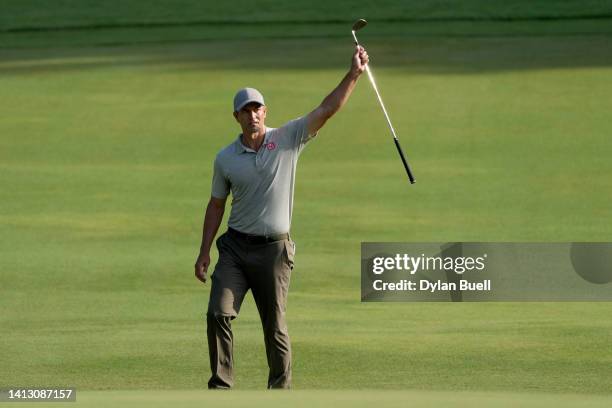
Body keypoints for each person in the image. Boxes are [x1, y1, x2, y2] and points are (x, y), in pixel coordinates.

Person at [194, 45, 369, 389]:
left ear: (265, 111)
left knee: (274, 326)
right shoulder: (225, 158)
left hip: (274, 251)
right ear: (236, 117)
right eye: (245, 111)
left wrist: (353, 75)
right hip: (235, 249)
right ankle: (221, 387)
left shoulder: (286, 138)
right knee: (218, 312)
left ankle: (280, 392)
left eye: (257, 108)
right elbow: (216, 205)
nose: (252, 115)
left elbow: (327, 109)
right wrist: (204, 252)